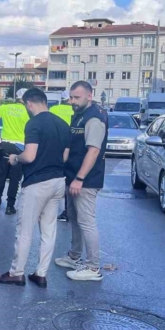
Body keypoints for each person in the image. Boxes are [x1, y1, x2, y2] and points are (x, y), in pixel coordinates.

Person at [0, 88, 69, 288]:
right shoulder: (61, 123)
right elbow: (66, 156)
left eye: (26, 105)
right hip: (58, 180)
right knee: (48, 231)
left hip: (36, 183)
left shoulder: (33, 123)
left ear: (29, 103)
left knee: (24, 230)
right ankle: (41, 274)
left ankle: (16, 273)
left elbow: (30, 156)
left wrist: (15, 158)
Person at [55, 81, 108, 282]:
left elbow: (93, 150)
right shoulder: (79, 115)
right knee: (74, 219)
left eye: (76, 97)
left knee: (86, 222)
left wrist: (79, 178)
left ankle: (93, 268)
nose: (72, 101)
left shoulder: (94, 118)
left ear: (89, 96)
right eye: (71, 97)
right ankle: (74, 256)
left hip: (85, 180)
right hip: (72, 176)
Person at [0, 88, 30, 215]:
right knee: (15, 179)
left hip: (5, 145)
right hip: (19, 147)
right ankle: (10, 206)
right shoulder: (28, 111)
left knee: (1, 175)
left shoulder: (5, 107)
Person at [50, 90, 74, 222]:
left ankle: (50, 209)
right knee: (69, 179)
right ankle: (68, 210)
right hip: (71, 147)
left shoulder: (54, 109)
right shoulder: (75, 111)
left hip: (56, 147)